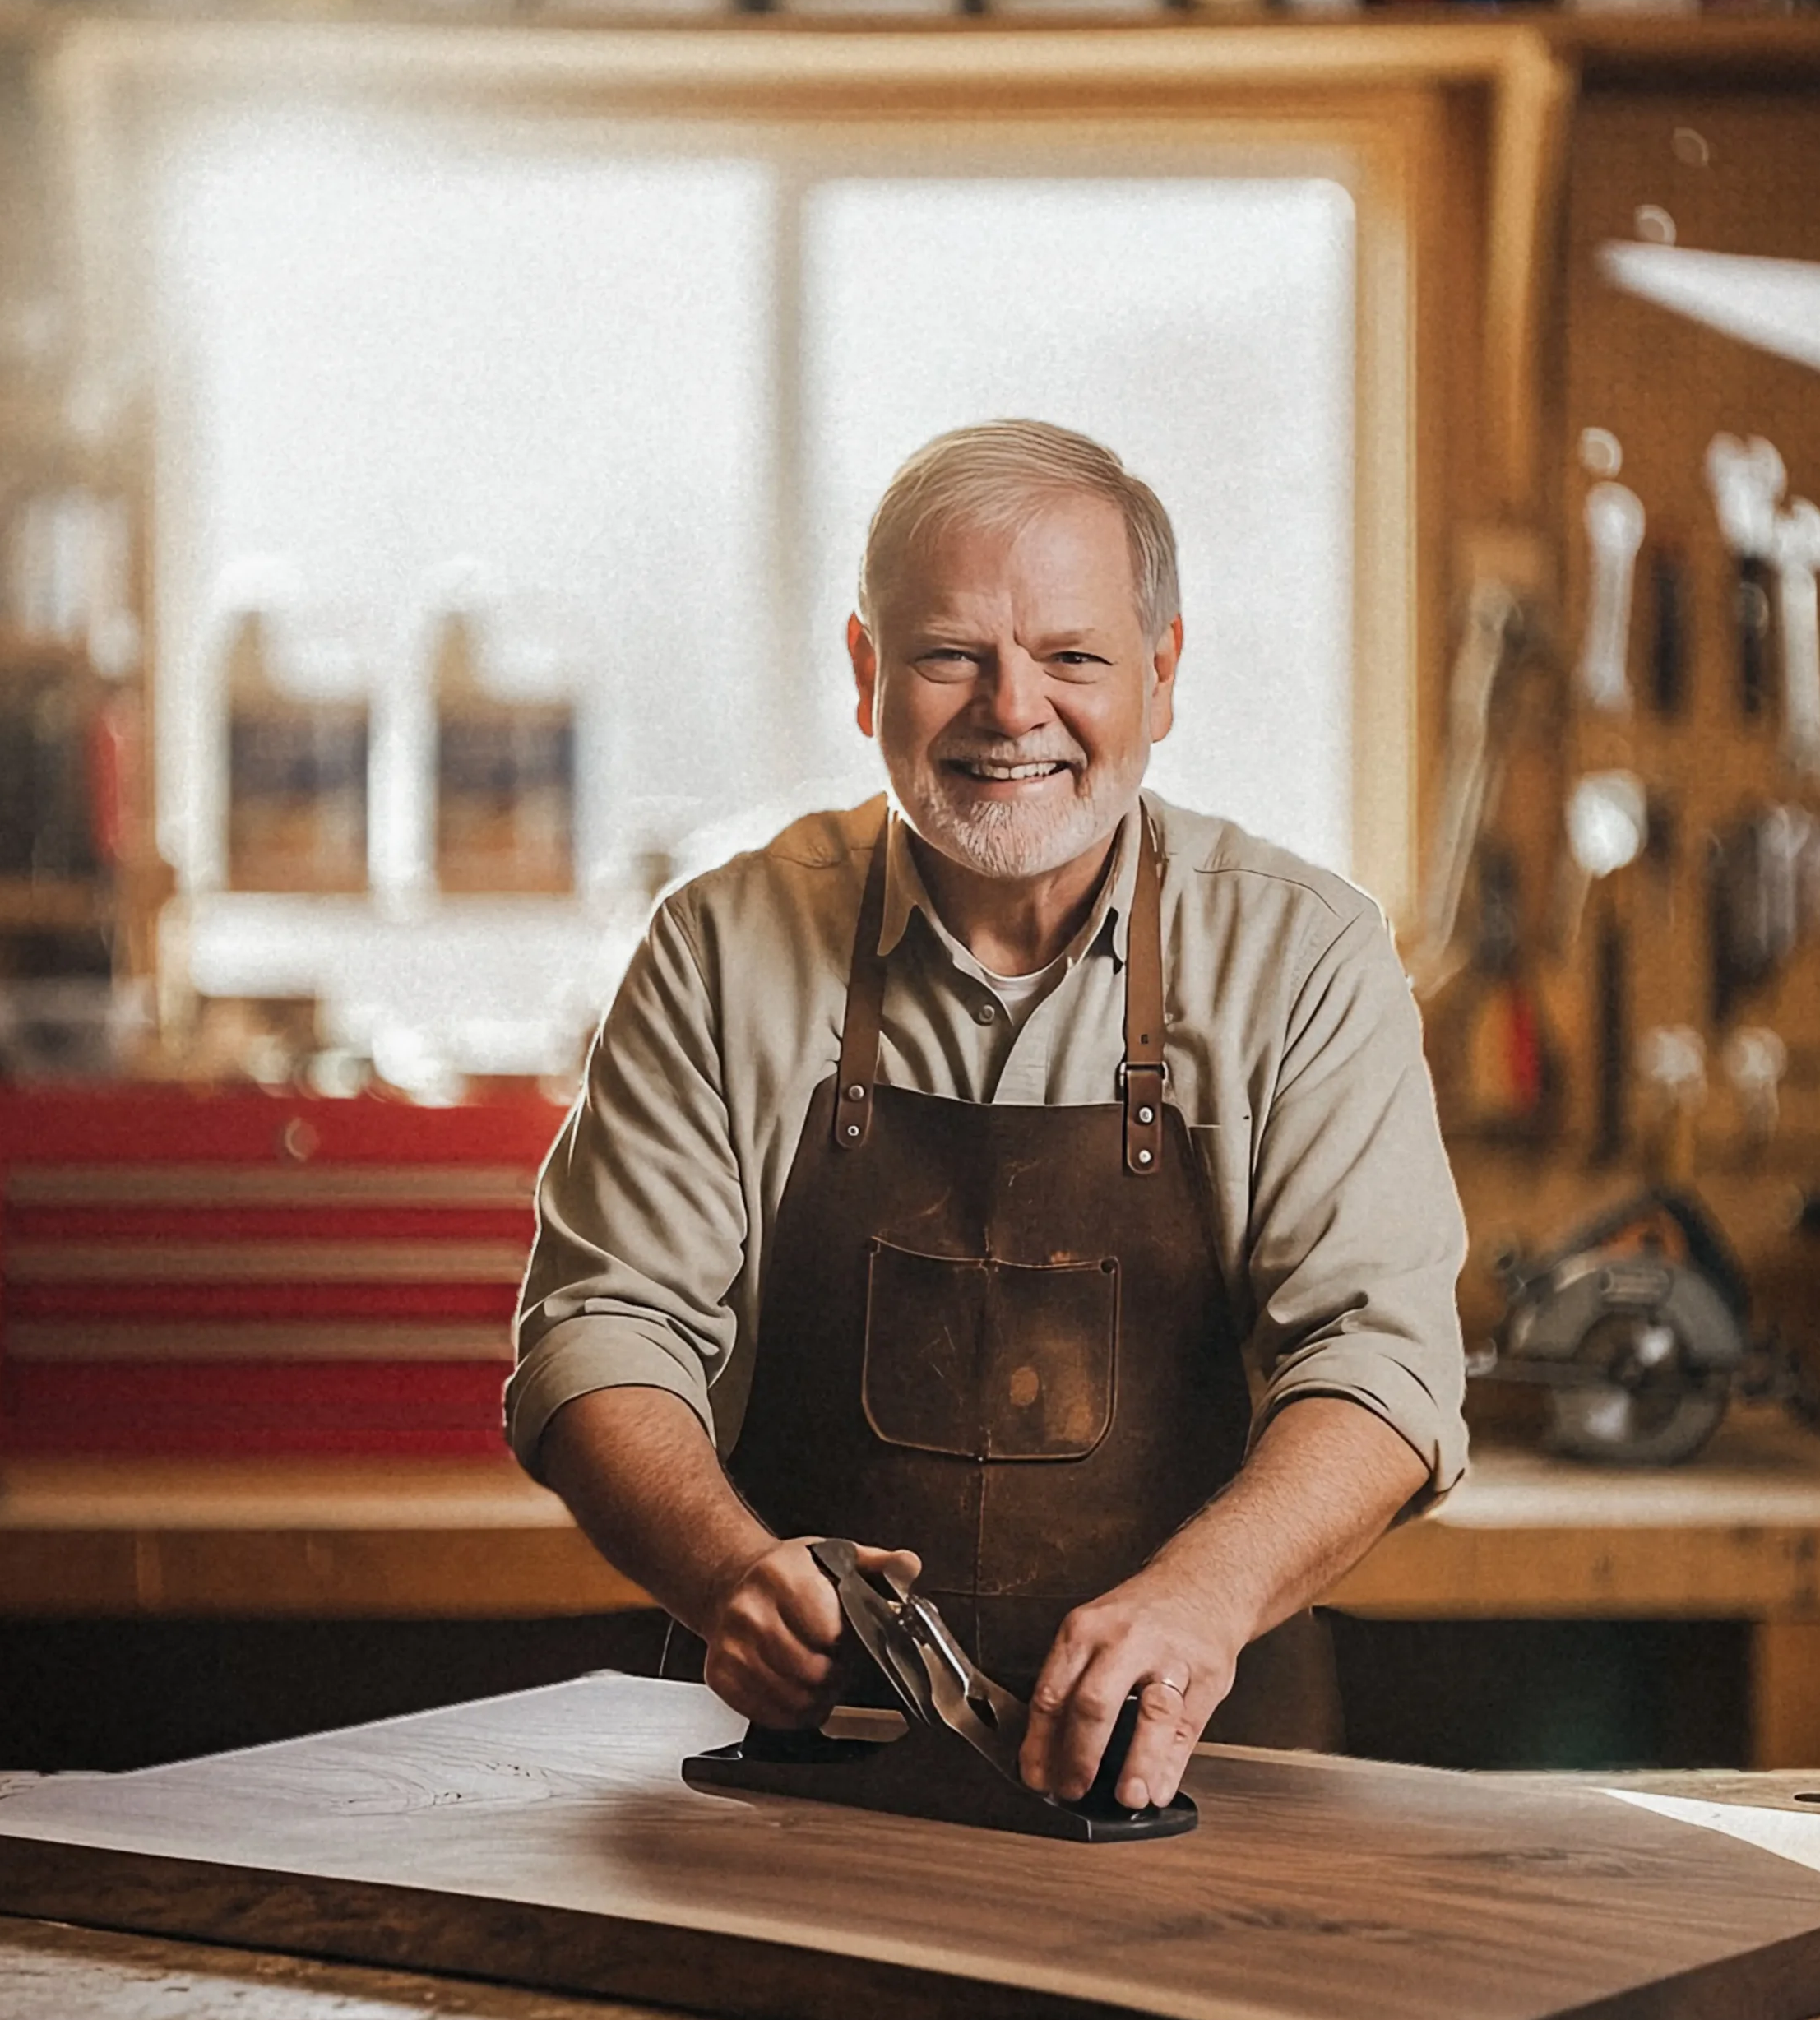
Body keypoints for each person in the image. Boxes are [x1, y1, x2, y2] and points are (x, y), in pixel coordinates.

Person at [507, 419, 1466, 1814]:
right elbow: (602, 1327)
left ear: (1164, 674)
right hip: (799, 1785)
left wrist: (1201, 1600)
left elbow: (1382, 1359)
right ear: (865, 675)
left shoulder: (1305, 958)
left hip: (1199, 1781)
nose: (1012, 711)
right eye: (951, 653)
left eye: (1072, 657)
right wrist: (726, 1571)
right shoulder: (720, 947)